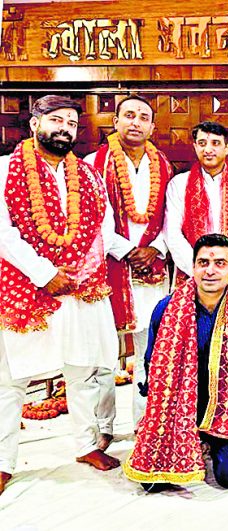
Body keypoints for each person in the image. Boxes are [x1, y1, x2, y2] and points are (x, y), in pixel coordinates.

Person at [0, 96, 122, 494]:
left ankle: (86, 445)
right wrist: (45, 274)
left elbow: (101, 227)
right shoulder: (4, 170)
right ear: (35, 124)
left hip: (80, 286)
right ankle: (2, 462)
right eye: (56, 120)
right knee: (11, 379)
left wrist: (79, 272)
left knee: (81, 368)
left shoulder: (88, 175)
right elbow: (3, 233)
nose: (64, 129)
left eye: (71, 122)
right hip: (25, 287)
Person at [123, 234, 228, 491]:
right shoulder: (168, 307)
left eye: (220, 263)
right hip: (181, 406)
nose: (210, 271)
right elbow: (152, 361)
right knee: (151, 483)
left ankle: (212, 442)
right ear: (193, 267)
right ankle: (193, 437)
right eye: (203, 263)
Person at [85, 94, 173, 426]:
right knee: (104, 353)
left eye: (143, 117)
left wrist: (157, 248)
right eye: (129, 115)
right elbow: (91, 221)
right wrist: (125, 251)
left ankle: (145, 423)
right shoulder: (92, 164)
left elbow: (171, 216)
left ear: (152, 126)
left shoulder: (163, 165)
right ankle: (102, 427)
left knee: (151, 348)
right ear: (116, 121)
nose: (136, 122)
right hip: (107, 268)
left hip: (153, 268)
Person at [164, 121, 228, 283]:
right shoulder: (178, 184)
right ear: (195, 147)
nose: (208, 149)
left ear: (227, 148)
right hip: (190, 273)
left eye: (215, 143)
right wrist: (197, 269)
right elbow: (172, 233)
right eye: (202, 143)